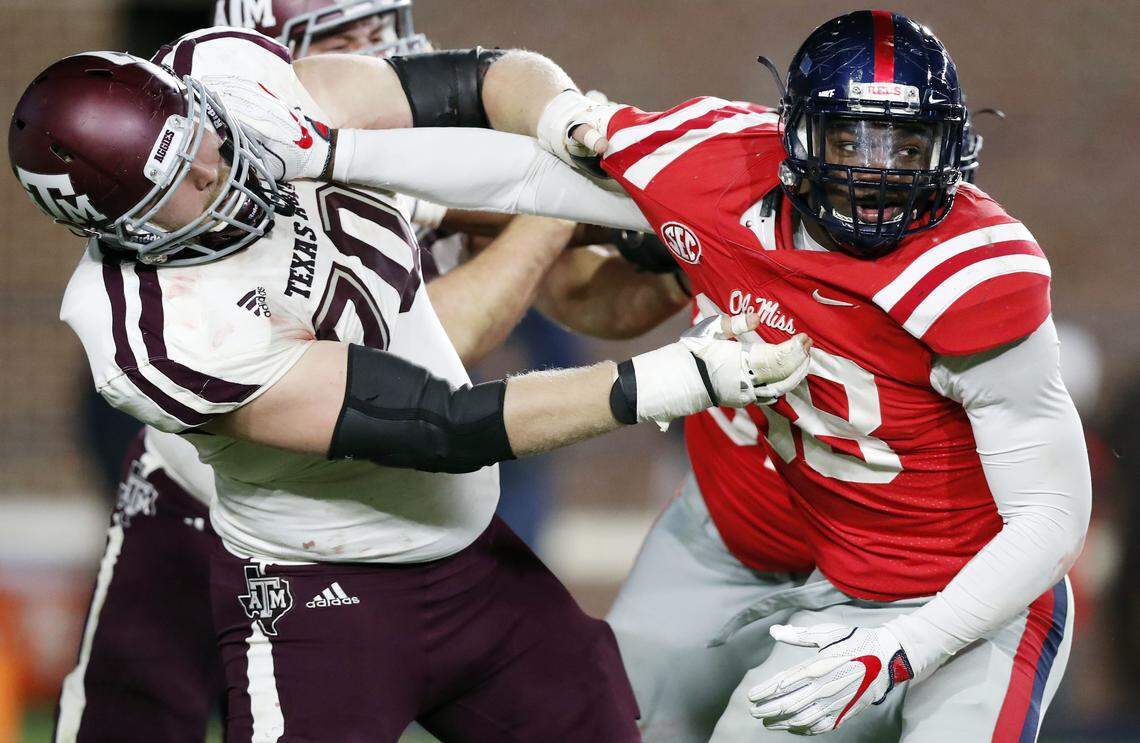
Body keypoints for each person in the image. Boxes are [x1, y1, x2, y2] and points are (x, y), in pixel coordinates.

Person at [236, 9, 1090, 740]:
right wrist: (334, 154)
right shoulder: (716, 166)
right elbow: (536, 176)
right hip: (830, 561)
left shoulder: (975, 274)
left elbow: (1052, 513)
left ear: (950, 152)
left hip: (978, 593)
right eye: (851, 141)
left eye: (905, 149)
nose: (874, 175)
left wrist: (906, 644)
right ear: (794, 137)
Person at [10, 42, 814, 743]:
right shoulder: (159, 335)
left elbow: (477, 79)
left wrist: (568, 120)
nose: (215, 167)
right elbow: (440, 421)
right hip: (319, 602)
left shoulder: (239, 87)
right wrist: (677, 378)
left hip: (474, 561)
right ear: (128, 232)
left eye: (197, 139)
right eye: (179, 183)